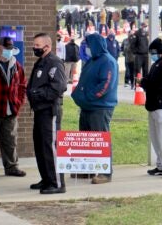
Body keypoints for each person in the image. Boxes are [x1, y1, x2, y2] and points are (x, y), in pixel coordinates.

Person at [71, 33, 118, 184]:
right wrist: (78, 95)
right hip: (87, 106)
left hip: (100, 107)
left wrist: (88, 97)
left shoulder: (108, 62)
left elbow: (105, 85)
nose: (86, 48)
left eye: (88, 46)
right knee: (86, 139)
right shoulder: (92, 61)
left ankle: (105, 173)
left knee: (100, 140)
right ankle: (87, 169)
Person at [27, 33, 67, 194]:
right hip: (39, 110)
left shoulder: (54, 63)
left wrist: (38, 93)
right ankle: (46, 178)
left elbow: (59, 87)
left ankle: (57, 183)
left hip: (49, 110)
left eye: (37, 45)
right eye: (34, 45)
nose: (34, 48)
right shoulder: (41, 62)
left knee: (50, 147)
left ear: (47, 46)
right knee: (40, 145)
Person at [137, 38, 162, 180]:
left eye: (152, 52)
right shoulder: (157, 64)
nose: (151, 55)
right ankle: (161, 164)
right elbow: (152, 81)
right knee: (155, 138)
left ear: (158, 51)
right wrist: (145, 82)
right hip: (154, 105)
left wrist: (145, 83)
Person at [0, 37, 27, 178]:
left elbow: (22, 85)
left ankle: (12, 167)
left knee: (10, 141)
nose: (8, 53)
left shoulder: (16, 65)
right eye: (6, 50)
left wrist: (18, 103)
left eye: (10, 50)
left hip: (10, 110)